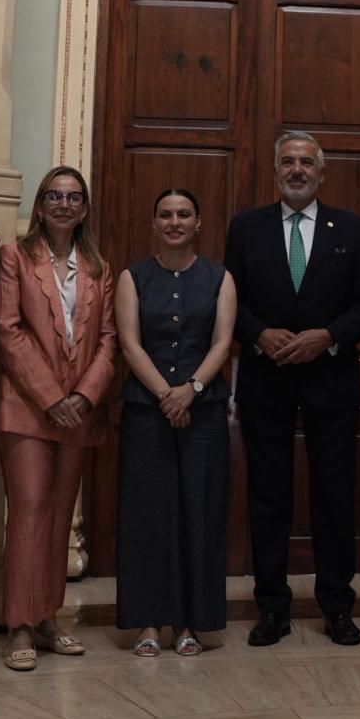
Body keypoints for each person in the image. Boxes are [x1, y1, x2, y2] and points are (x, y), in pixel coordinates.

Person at [224, 131, 360, 646]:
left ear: (321, 172)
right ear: (275, 170)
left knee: (334, 496)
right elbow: (231, 299)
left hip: (329, 380)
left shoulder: (353, 230)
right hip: (265, 381)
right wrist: (259, 335)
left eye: (306, 163)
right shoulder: (246, 229)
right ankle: (272, 608)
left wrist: (328, 336)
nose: (296, 170)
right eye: (287, 161)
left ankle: (337, 606)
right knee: (268, 498)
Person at [0, 166, 118, 671]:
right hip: (26, 409)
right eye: (55, 196)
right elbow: (8, 330)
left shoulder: (98, 267)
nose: (65, 204)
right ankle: (19, 624)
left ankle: (48, 618)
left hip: (79, 413)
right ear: (40, 206)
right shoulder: (15, 258)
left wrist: (84, 396)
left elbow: (108, 340)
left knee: (61, 515)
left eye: (74, 197)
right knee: (30, 510)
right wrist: (51, 397)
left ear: (84, 209)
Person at [114, 188, 237, 657]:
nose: (174, 222)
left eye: (184, 214)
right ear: (154, 224)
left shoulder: (220, 277)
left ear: (198, 222)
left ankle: (190, 623)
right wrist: (166, 395)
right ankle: (148, 623)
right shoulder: (133, 277)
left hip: (203, 414)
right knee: (148, 516)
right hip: (147, 414)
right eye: (165, 214)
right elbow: (130, 343)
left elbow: (223, 342)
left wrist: (192, 390)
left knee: (199, 515)